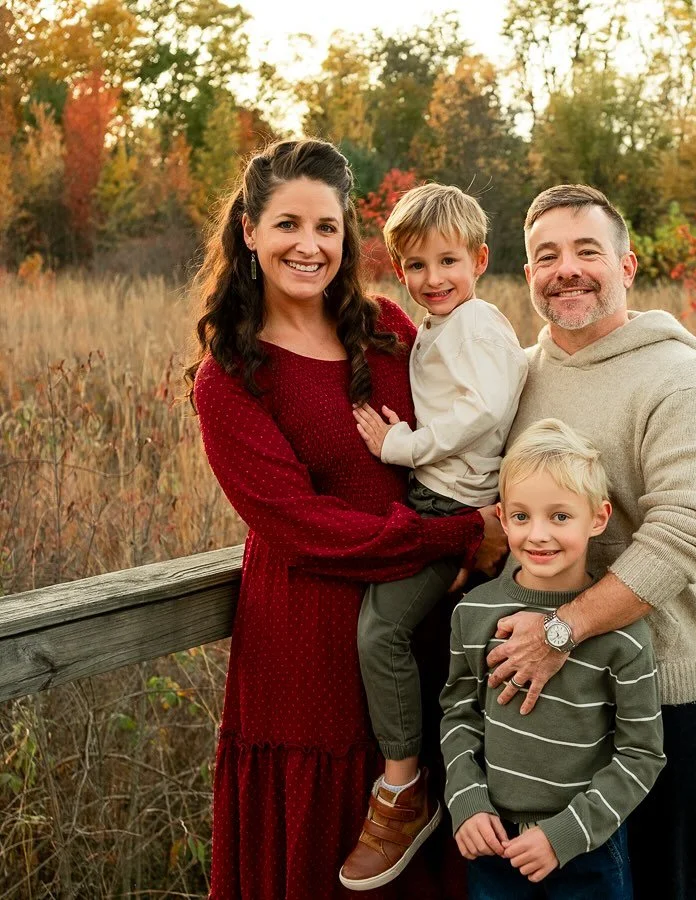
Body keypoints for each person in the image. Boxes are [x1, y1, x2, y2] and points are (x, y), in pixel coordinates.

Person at [186, 139, 506, 899]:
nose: (309, 245)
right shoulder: (230, 376)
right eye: (288, 225)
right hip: (309, 644)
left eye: (326, 227)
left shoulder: (390, 325)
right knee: (323, 864)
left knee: (430, 831)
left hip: (421, 616)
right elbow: (303, 525)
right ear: (249, 233)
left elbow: (481, 413)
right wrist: (460, 535)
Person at [486, 185, 696, 900]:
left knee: (661, 882)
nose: (567, 269)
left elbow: (690, 524)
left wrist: (562, 630)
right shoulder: (521, 376)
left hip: (662, 694)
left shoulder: (677, 376)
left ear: (626, 266)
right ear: (527, 273)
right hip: (544, 694)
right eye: (546, 256)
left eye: (587, 251)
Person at [340, 183, 528, 891]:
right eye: (415, 265)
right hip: (439, 499)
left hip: (449, 499)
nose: (432, 279)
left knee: (379, 633)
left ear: (479, 258)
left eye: (448, 261)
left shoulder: (476, 324)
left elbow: (482, 414)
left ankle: (404, 785)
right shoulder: (444, 327)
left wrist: (402, 445)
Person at [440, 418, 665, 900]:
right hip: (492, 841)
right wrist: (467, 801)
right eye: (521, 517)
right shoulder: (474, 612)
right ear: (501, 518)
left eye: (560, 516)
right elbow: (459, 716)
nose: (538, 535)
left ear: (598, 518)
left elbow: (641, 753)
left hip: (587, 849)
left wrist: (564, 835)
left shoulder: (623, 635)